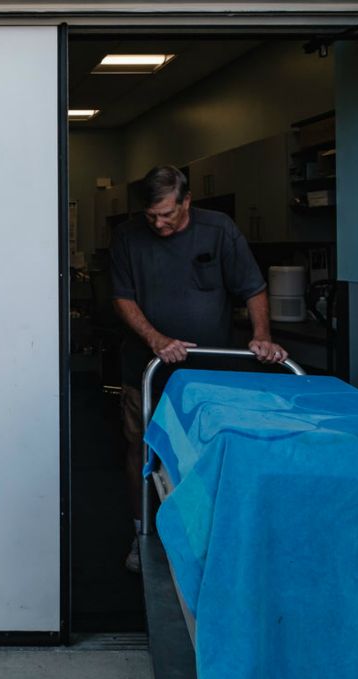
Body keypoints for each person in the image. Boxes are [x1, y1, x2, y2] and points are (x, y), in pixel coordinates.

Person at [110, 165, 287, 573]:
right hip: (148, 368)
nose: (159, 223)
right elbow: (122, 298)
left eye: (168, 214)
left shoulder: (219, 230)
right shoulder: (128, 236)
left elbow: (253, 287)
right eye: (152, 216)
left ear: (187, 201)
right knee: (141, 447)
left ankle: (204, 540)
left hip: (210, 373)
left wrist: (262, 335)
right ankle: (141, 535)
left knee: (203, 452)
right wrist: (155, 339)